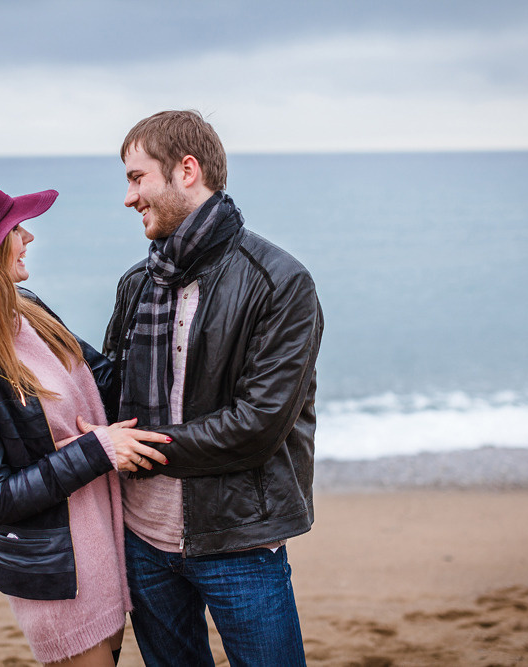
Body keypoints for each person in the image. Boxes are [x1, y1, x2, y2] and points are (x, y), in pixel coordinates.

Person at [100, 110, 324, 666]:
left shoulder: (279, 282)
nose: (128, 198)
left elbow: (258, 426)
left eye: (137, 178)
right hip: (142, 540)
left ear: (187, 170)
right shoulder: (137, 283)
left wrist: (140, 446)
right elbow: (111, 392)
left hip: (240, 541)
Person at [0, 179, 169, 666]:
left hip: (106, 547)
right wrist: (96, 450)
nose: (28, 237)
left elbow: (105, 382)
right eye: (15, 229)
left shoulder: (29, 310)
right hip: (56, 574)